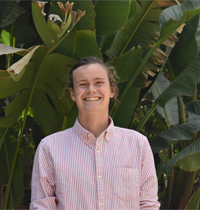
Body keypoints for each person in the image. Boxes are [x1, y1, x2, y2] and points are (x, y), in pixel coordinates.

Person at [30, 56, 160, 209]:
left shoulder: (138, 144)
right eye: (83, 84)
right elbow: (42, 206)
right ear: (72, 93)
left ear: (111, 90)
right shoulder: (49, 147)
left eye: (99, 83)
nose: (91, 89)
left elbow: (148, 205)